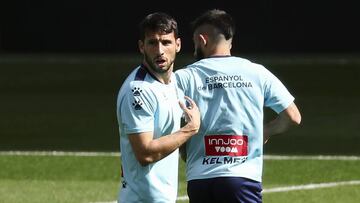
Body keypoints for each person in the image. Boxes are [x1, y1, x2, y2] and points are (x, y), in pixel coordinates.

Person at [175, 9, 301, 203]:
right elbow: (293, 116)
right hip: (242, 178)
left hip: (200, 180)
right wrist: (265, 131)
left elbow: (168, 122)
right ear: (230, 41)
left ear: (202, 40)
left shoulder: (184, 77)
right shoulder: (257, 73)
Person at [116, 12, 200, 203]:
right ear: (141, 47)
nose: (160, 50)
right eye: (152, 43)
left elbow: (172, 140)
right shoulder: (138, 90)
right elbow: (144, 153)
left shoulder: (174, 84)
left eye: (166, 42)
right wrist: (189, 130)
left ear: (177, 45)